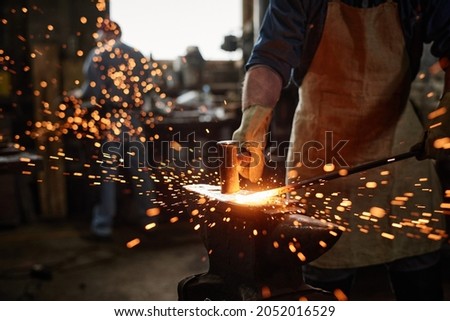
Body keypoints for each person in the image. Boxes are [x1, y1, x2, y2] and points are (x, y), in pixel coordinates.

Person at [232, 0, 450, 300]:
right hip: (321, 148)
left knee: (419, 272)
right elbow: (269, 59)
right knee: (322, 278)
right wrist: (253, 121)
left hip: (399, 144)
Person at [75, 19, 157, 240]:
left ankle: (103, 226)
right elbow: (148, 86)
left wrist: (74, 96)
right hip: (133, 118)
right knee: (140, 170)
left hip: (112, 119)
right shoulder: (137, 54)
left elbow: (91, 91)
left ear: (103, 33)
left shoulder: (98, 54)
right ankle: (148, 217)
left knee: (108, 174)